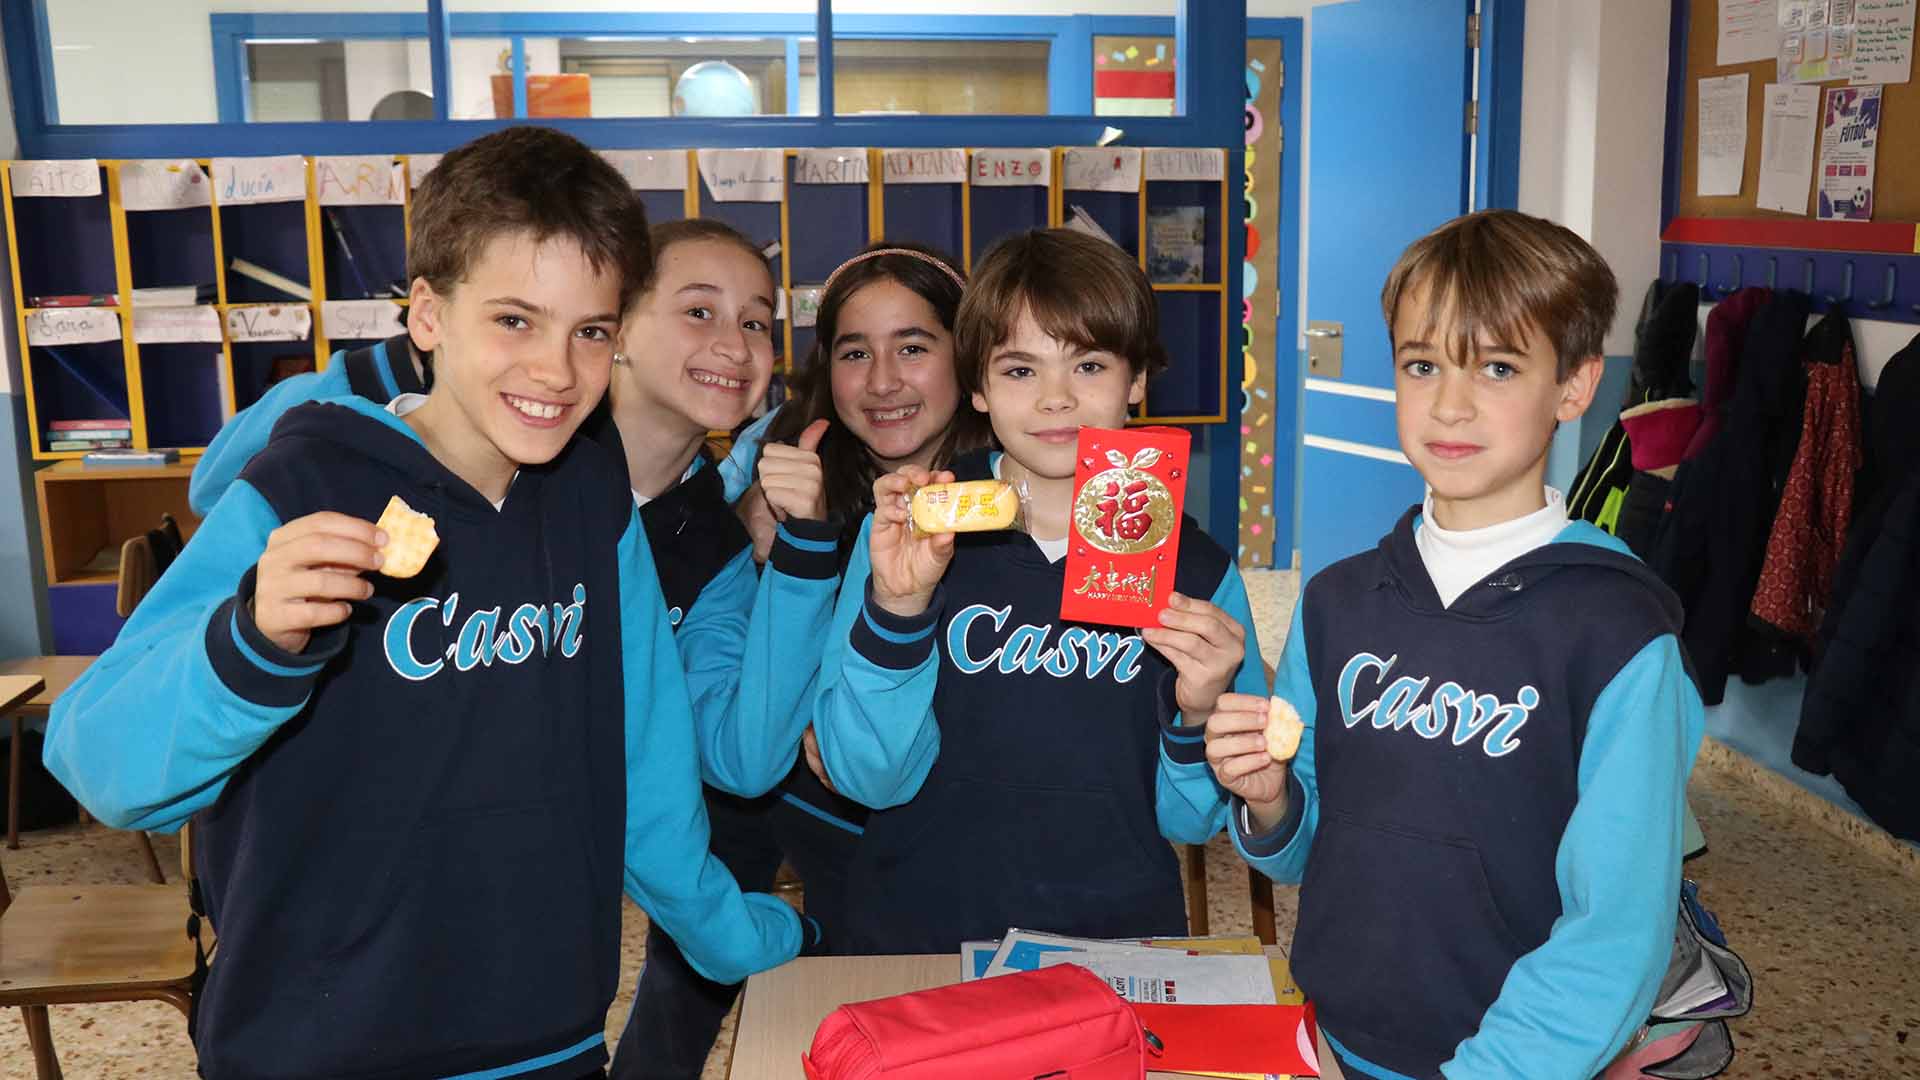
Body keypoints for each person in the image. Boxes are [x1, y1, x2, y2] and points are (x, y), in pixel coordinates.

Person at [43, 126, 804, 1080]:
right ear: (429, 316)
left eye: (591, 331)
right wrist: (252, 640)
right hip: (315, 1047)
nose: (557, 372)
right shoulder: (307, 483)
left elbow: (643, 755)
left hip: (548, 1042)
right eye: (515, 321)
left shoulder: (590, 498)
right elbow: (100, 764)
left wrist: (727, 933)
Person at [1203, 209, 1705, 1079]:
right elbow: (1305, 851)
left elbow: (1615, 928)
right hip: (1338, 1041)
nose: (1450, 404)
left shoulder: (1618, 633)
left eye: (1499, 367)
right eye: (1422, 364)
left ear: (1577, 386)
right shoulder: (1339, 601)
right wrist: (1272, 799)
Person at [810, 228, 1266, 953]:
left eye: (1088, 364)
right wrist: (898, 610)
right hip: (916, 932)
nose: (1057, 399)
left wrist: (1199, 710)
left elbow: (1190, 823)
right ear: (980, 388)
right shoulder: (917, 532)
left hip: (1113, 942)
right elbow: (869, 779)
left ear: (1138, 379)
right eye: (1021, 371)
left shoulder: (1195, 571)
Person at [612, 241, 987, 1078]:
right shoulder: (785, 458)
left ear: (970, 356)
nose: (884, 380)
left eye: (915, 347)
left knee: (894, 994)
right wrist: (766, 541)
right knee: (691, 978)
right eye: (855, 352)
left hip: (911, 806)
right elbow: (730, 656)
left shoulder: (1004, 482)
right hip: (778, 783)